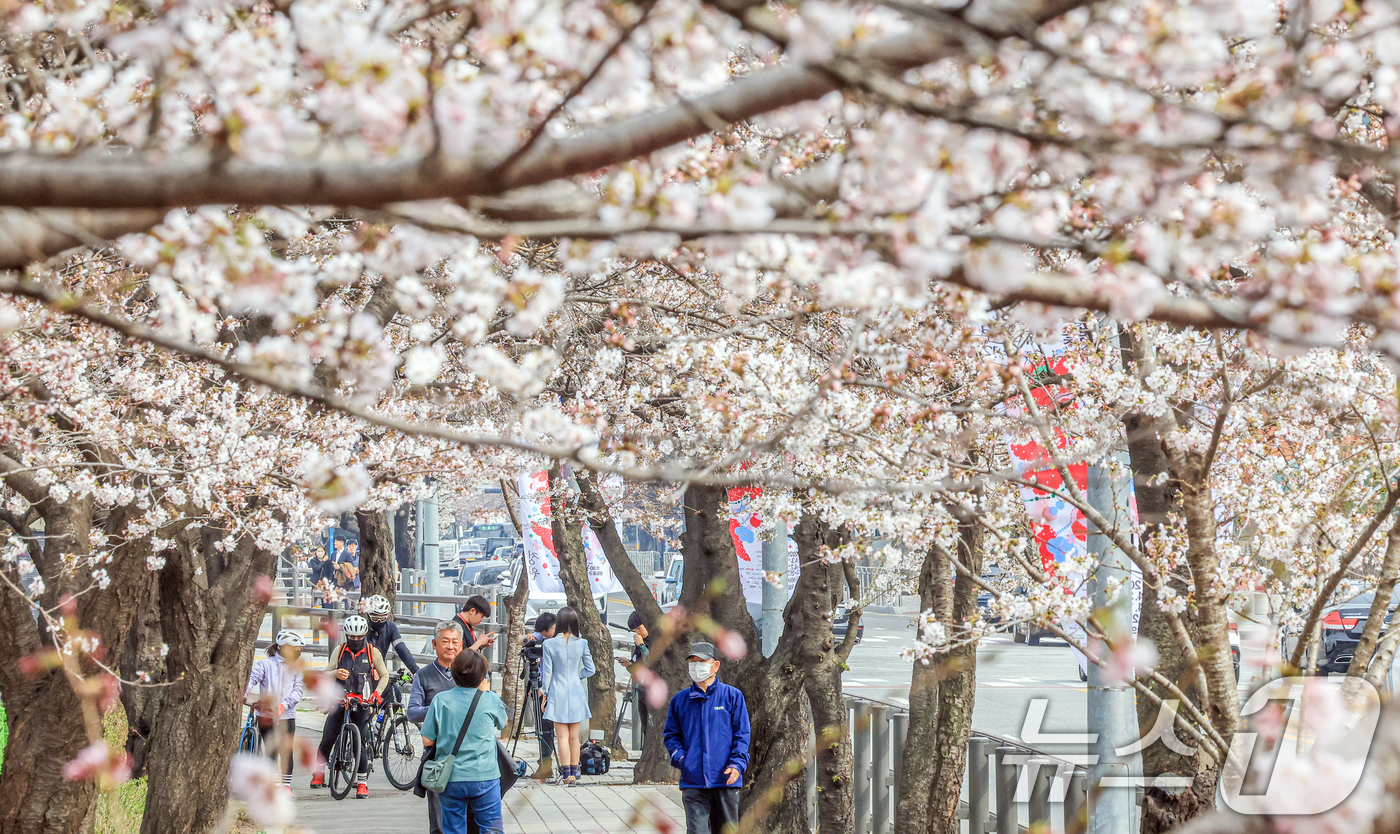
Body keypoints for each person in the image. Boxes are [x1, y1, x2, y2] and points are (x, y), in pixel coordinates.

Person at [664, 642, 750, 834]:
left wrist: (737, 765)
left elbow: (742, 735)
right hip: (693, 782)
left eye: (702, 661)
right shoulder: (680, 700)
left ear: (715, 665)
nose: (696, 666)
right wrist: (682, 759)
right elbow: (671, 735)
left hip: (725, 781)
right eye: (693, 662)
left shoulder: (732, 696)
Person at [421, 649, 507, 834]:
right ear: (483, 676)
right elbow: (503, 723)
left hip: (451, 777)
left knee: (453, 828)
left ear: (453, 673)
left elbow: (427, 740)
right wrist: (486, 692)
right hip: (485, 776)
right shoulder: (490, 699)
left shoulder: (440, 700)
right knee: (491, 828)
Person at [311, 614, 390, 798]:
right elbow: (326, 673)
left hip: (362, 702)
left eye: (359, 637)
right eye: (352, 637)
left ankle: (362, 783)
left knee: (359, 744)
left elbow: (384, 675)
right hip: (339, 700)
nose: (355, 640)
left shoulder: (372, 652)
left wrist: (376, 693)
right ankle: (318, 772)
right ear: (346, 635)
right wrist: (335, 673)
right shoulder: (339, 651)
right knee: (329, 737)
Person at [409, 622, 464, 834]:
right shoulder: (423, 676)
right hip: (436, 754)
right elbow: (412, 712)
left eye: (455, 641)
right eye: (445, 641)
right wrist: (439, 707)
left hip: (468, 753)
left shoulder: (471, 673)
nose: (450, 646)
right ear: (434, 644)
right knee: (439, 819)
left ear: (461, 645)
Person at [540, 606, 595, 786]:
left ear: (559, 623)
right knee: (574, 736)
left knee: (561, 736)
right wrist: (577, 675)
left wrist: (544, 694)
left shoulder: (548, 644)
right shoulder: (582, 643)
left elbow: (546, 673)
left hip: (557, 690)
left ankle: (565, 775)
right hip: (576, 690)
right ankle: (574, 772)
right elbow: (591, 669)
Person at [244, 630, 305, 794]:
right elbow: (251, 680)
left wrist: (284, 705)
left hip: (287, 715)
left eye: (300, 649)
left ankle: (286, 785)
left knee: (287, 750)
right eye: (296, 648)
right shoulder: (265, 664)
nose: (299, 652)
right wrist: (243, 695)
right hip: (267, 715)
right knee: (271, 749)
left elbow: (298, 691)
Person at [522, 612, 558, 782]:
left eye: (546, 634)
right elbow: (530, 637)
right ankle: (545, 764)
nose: (544, 637)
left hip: (551, 689)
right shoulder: (541, 635)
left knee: (547, 728)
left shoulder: (558, 641)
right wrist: (529, 637)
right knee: (543, 725)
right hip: (540, 685)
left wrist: (544, 690)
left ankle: (547, 765)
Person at [365, 594, 421, 698]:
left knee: (396, 695)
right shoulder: (363, 626)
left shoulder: (390, 627)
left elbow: (401, 648)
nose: (379, 621)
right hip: (363, 671)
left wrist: (416, 671)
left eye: (383, 618)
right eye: (375, 617)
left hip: (380, 672)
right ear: (368, 615)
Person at [627, 611, 653, 737]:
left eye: (639, 628)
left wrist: (642, 646)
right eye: (634, 630)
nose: (637, 632)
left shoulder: (653, 641)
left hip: (653, 690)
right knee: (644, 725)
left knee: (651, 724)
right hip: (641, 688)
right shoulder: (638, 644)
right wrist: (628, 665)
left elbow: (650, 661)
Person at [334, 540, 361, 609]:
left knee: (355, 604)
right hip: (347, 582)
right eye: (349, 546)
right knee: (348, 604)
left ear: (356, 547)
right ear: (347, 547)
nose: (351, 548)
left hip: (357, 583)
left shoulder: (360, 558)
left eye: (353, 546)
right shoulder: (344, 557)